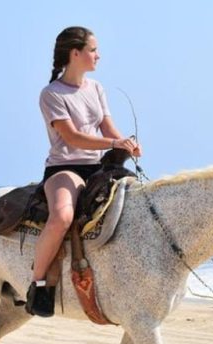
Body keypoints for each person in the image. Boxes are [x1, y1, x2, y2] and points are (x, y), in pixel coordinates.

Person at [26, 26, 142, 317]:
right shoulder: (51, 94)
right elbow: (72, 138)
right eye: (93, 50)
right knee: (62, 217)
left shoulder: (97, 89)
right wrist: (114, 142)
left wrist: (126, 144)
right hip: (65, 168)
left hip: (98, 166)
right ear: (75, 53)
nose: (98, 55)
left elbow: (107, 128)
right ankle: (38, 283)